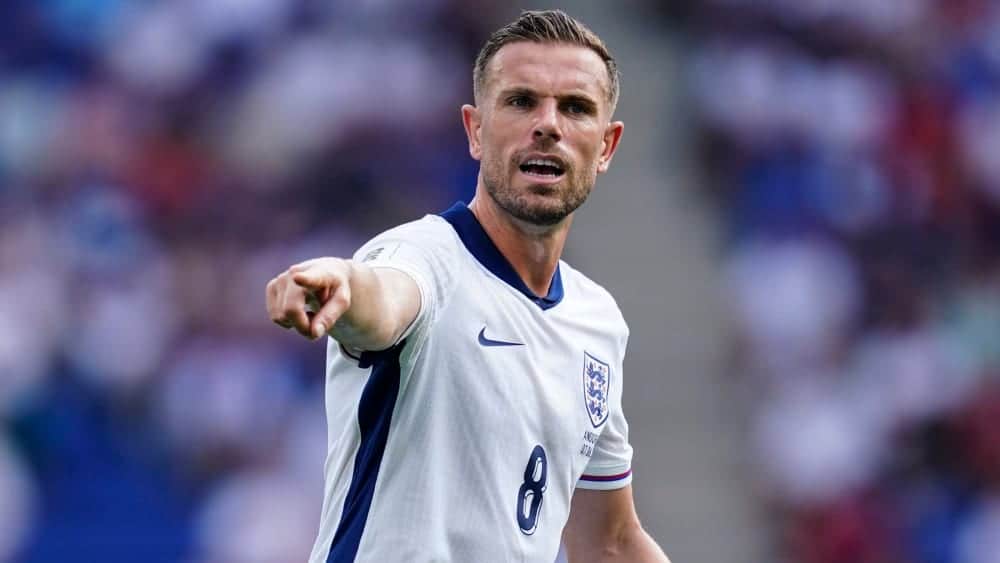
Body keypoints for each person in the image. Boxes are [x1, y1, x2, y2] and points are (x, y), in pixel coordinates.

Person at [266, 9, 670, 563]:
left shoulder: (596, 320)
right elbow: (386, 296)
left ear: (606, 146)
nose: (548, 125)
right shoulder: (426, 257)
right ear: (476, 131)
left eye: (575, 108)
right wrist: (344, 284)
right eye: (521, 101)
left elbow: (610, 542)